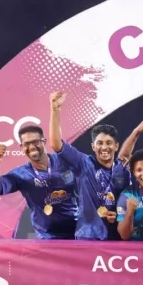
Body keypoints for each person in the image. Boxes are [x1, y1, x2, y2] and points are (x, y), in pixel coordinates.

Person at [47, 92, 129, 241]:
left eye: (109, 143)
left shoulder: (123, 171)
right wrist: (55, 110)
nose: (104, 147)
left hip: (115, 239)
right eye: (100, 143)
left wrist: (119, 215)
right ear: (93, 146)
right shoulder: (84, 163)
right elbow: (56, 144)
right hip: (87, 238)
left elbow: (127, 203)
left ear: (116, 146)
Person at [0, 125, 79, 239]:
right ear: (21, 147)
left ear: (43, 142)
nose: (31, 147)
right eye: (26, 144)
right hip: (47, 237)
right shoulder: (21, 174)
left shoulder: (65, 161)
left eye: (35, 142)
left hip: (78, 233)